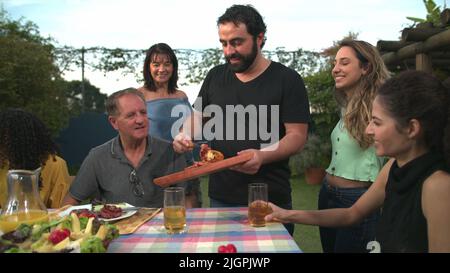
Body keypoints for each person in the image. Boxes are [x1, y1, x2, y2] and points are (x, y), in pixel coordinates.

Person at [266, 70, 450, 253]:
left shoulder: (437, 186)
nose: (368, 130)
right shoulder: (392, 168)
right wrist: (286, 214)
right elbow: (351, 214)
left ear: (411, 128)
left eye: (377, 123)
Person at [173, 4, 310, 235]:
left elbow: (297, 136)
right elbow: (197, 118)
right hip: (221, 197)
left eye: (237, 42)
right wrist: (184, 133)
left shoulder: (287, 79)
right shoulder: (215, 76)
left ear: (259, 38)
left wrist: (263, 156)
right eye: (224, 44)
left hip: (268, 199)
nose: (229, 51)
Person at [315, 39, 390, 252]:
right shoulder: (347, 106)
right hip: (327, 193)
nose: (336, 69)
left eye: (344, 63)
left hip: (357, 199)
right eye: (335, 64)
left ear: (366, 67)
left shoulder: (383, 106)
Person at [62, 88, 192, 207]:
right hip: (116, 230)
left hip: (161, 229)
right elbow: (71, 200)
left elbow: (188, 198)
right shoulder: (98, 157)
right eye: (131, 115)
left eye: (143, 112)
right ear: (114, 122)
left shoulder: (171, 152)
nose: (140, 120)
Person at [138, 43, 200, 208]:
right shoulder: (139, 95)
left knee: (191, 221)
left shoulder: (181, 95)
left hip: (185, 166)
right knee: (154, 222)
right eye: (156, 64)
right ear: (148, 67)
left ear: (173, 67)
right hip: (154, 168)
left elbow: (193, 126)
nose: (162, 69)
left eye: (167, 64)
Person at [0, 108, 71, 209]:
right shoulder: (2, 163)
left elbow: (60, 210)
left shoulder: (56, 165)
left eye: (4, 139)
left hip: (42, 222)